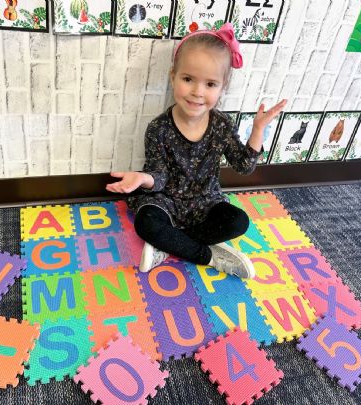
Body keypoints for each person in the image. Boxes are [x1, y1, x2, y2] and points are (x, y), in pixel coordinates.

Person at [106, 23, 286, 277]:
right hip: (165, 200)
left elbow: (244, 166)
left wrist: (257, 130)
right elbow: (159, 175)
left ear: (222, 88)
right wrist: (143, 178)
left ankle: (167, 246)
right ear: (173, 77)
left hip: (205, 201)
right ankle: (207, 256)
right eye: (188, 79)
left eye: (210, 84)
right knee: (146, 222)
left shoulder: (222, 124)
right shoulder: (158, 128)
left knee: (238, 221)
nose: (197, 92)